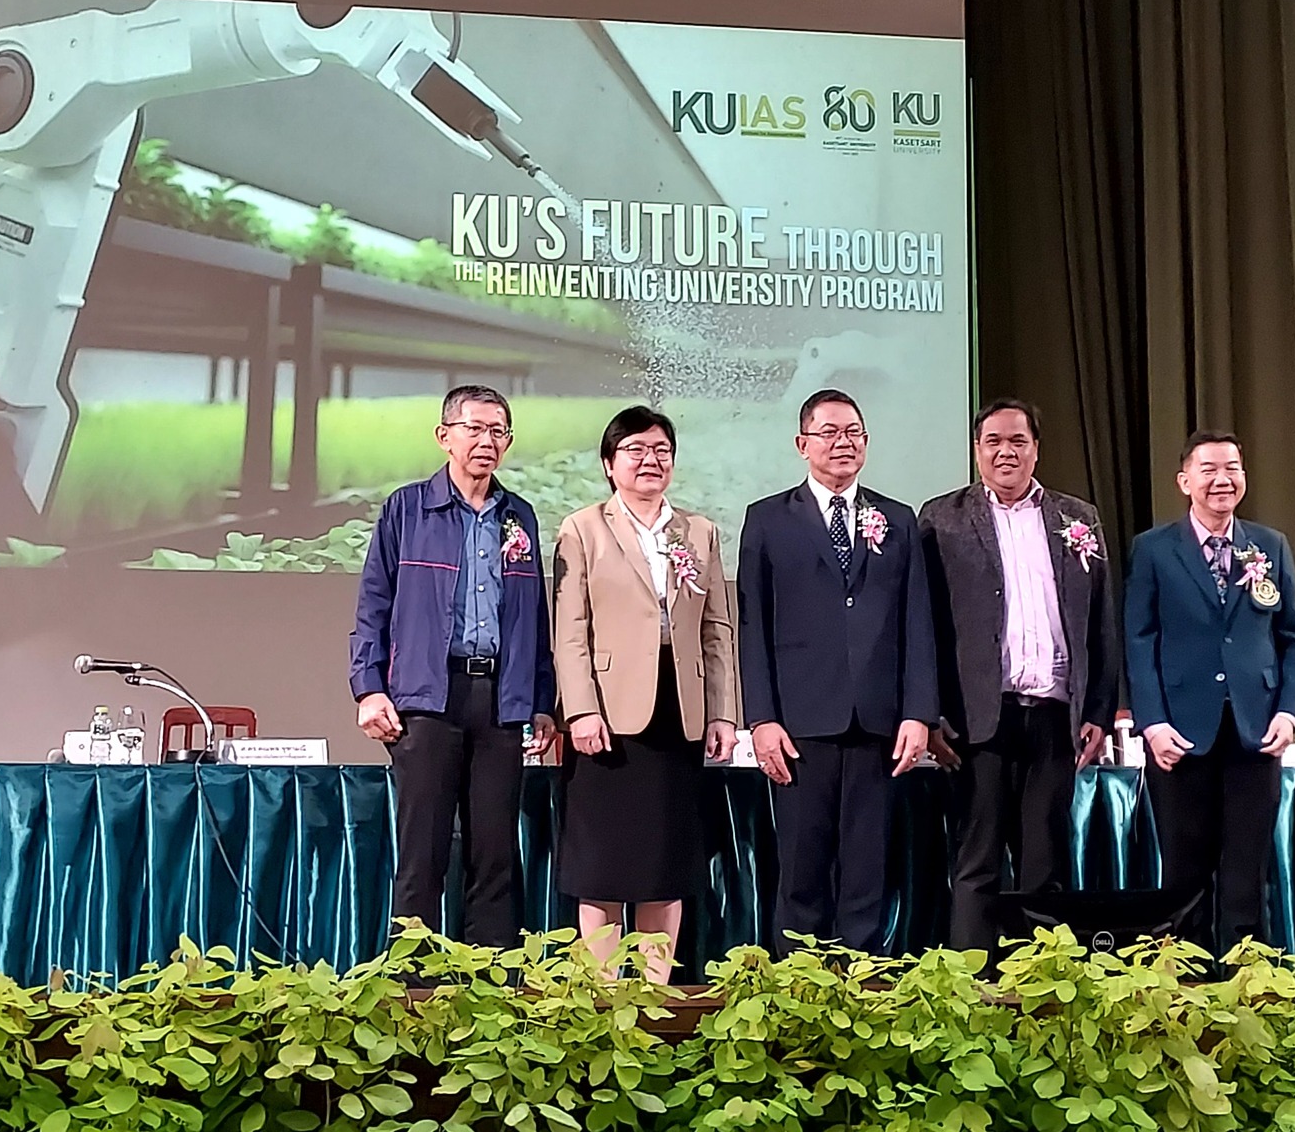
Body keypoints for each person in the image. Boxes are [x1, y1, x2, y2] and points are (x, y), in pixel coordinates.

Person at [348, 385, 559, 948]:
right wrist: (368, 688)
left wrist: (542, 701)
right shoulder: (407, 508)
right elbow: (373, 605)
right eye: (474, 428)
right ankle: (412, 978)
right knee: (423, 854)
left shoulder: (519, 516)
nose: (487, 441)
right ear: (444, 437)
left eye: (498, 431)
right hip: (427, 696)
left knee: (495, 854)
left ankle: (491, 976)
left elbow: (534, 615)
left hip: (500, 700)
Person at [737, 388, 940, 955]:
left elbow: (917, 622)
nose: (842, 442)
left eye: (853, 432)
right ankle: (797, 983)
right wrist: (762, 719)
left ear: (867, 443)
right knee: (802, 867)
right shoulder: (767, 519)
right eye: (828, 432)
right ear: (802, 444)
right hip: (800, 723)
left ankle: (863, 979)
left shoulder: (896, 519)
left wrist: (919, 713)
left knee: (867, 868)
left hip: (878, 722)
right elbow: (752, 627)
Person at [918, 398, 1119, 959]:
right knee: (977, 862)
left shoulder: (1077, 518)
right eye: (994, 442)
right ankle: (970, 984)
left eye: (1018, 441)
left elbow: (1100, 622)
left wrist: (1098, 711)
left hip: (1055, 718)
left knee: (1045, 863)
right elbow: (922, 625)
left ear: (1036, 449)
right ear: (977, 450)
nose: (1006, 452)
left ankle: (1042, 983)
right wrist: (929, 714)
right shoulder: (942, 518)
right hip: (976, 720)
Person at [551, 406, 739, 980]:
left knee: (666, 865)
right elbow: (569, 629)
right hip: (607, 716)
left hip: (678, 712)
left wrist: (723, 713)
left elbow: (717, 628)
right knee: (603, 867)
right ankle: (603, 993)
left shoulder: (698, 531)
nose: (649, 460)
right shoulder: (583, 528)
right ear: (610, 464)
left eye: (660, 450)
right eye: (634, 449)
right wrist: (580, 710)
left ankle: (654, 995)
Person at [1123, 430, 1295, 952]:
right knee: (1185, 871)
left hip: (1256, 731)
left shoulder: (1269, 545)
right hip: (1179, 733)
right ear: (1185, 481)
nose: (1222, 479)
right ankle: (1187, 975)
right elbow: (1138, 641)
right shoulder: (1154, 549)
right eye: (1208, 469)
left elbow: (1294, 639)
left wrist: (1288, 712)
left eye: (1232, 468)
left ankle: (1249, 976)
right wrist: (1152, 724)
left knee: (1247, 871)